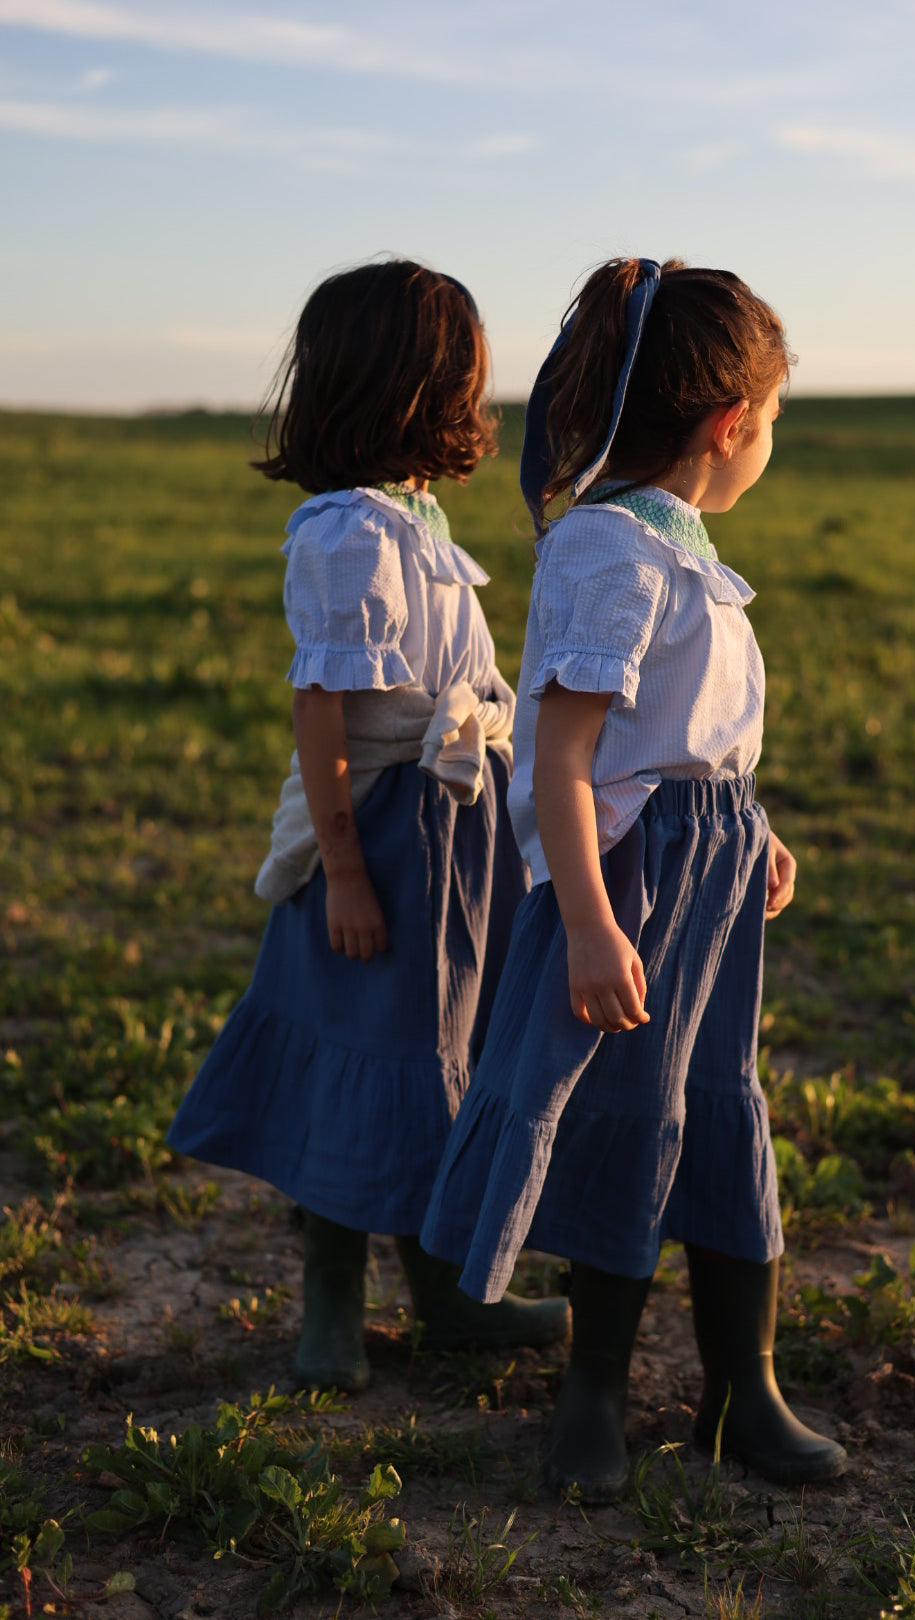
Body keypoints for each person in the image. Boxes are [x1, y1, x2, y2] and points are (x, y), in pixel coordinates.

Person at [421, 257, 847, 1497]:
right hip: (632, 889)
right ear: (730, 422)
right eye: (774, 418)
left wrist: (751, 828)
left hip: (709, 870)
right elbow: (564, 757)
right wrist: (592, 924)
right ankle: (593, 1395)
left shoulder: (678, 546)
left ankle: (743, 1389)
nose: (771, 439)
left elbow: (686, 735)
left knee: (716, 1108)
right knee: (626, 1116)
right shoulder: (611, 552)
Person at [168, 260, 568, 1390]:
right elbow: (323, 710)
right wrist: (343, 870)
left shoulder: (414, 519)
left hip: (453, 832)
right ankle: (331, 1303)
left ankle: (444, 1296)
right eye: (467, 381)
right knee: (367, 1056)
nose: (481, 403)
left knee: (439, 1056)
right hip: (388, 832)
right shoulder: (349, 533)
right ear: (411, 389)